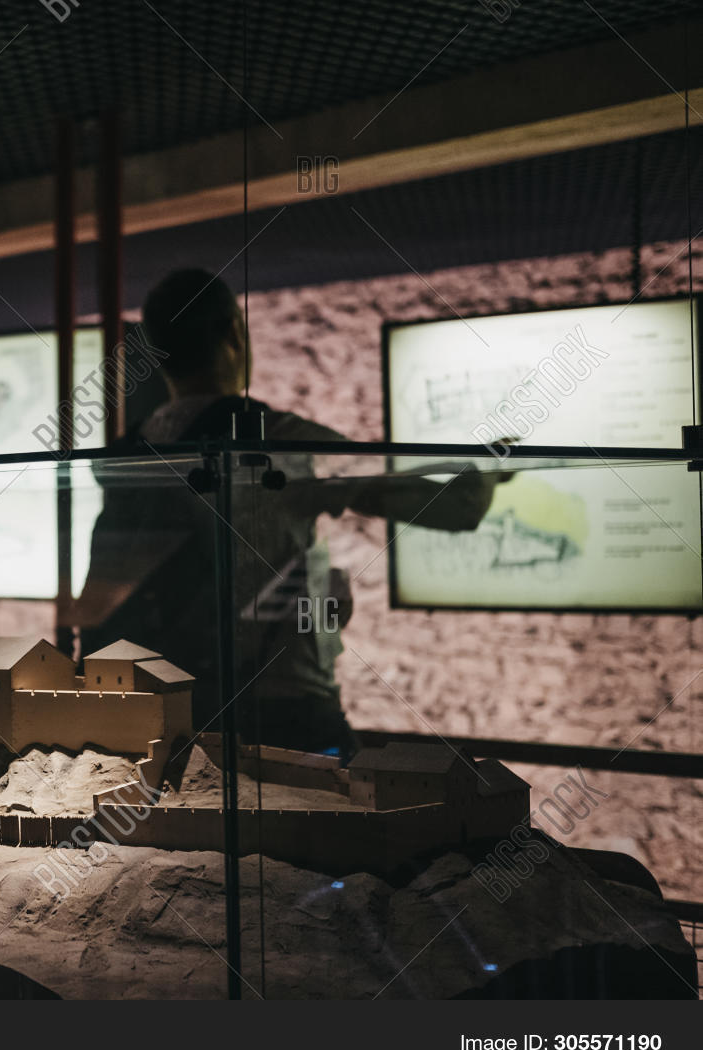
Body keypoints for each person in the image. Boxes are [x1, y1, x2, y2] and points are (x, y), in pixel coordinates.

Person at [78, 268, 504, 759]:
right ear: (235, 333)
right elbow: (456, 507)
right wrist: (492, 467)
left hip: (170, 708)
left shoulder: (127, 456)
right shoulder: (280, 440)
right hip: (282, 706)